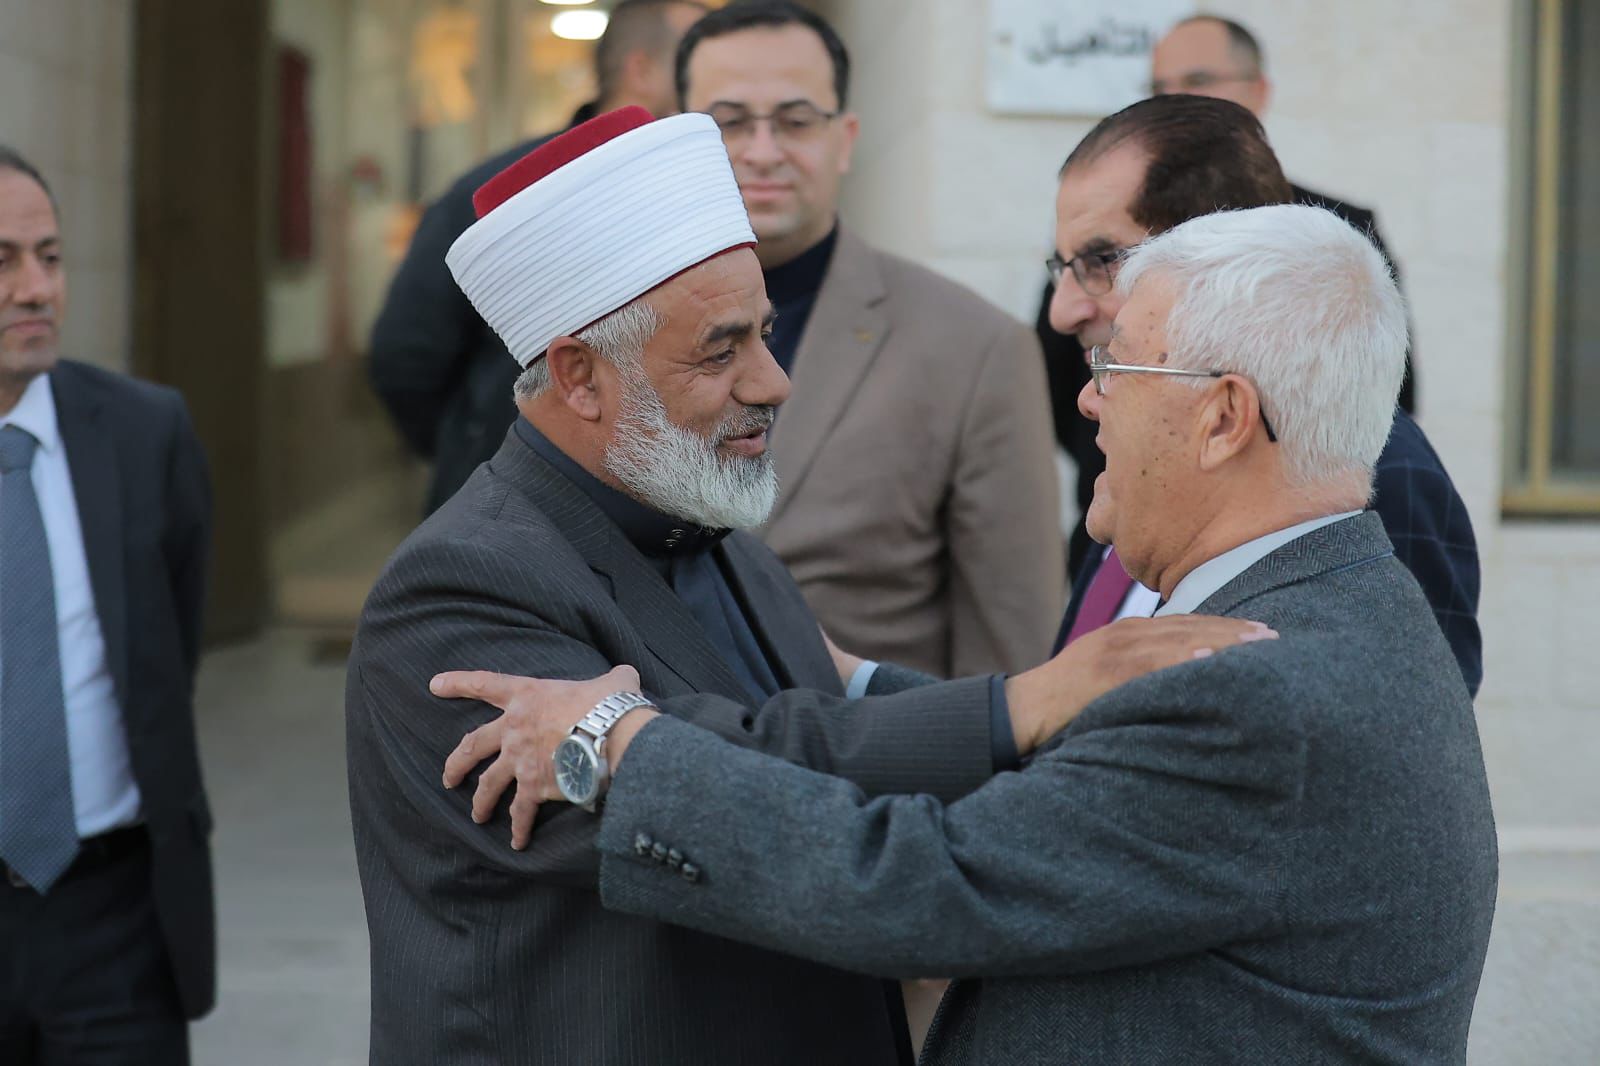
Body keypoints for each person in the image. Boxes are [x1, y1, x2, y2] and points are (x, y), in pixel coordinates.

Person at [434, 204, 1499, 1065]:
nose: (1088, 401)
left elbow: (921, 885)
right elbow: (1091, 812)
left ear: (1222, 417)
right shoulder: (1353, 598)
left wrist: (623, 745)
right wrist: (860, 683)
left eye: (1116, 367)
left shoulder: (1255, 693)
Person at [345, 108, 1263, 1065]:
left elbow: (818, 721)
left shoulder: (711, 531)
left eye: (765, 336)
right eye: (721, 350)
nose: (773, 382)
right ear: (580, 376)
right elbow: (744, 794)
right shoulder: (460, 592)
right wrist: (1018, 707)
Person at [1042, 95, 1481, 696]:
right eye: (1062, 266)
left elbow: (1400, 724)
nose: (1061, 311)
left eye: (1101, 260)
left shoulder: (1374, 469)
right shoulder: (1137, 431)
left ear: (1223, 252)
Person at [675, 1, 1064, 677]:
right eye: (729, 122)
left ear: (845, 138)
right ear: (677, 141)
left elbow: (1013, 666)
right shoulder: (612, 333)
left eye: (796, 120)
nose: (762, 151)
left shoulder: (976, 349)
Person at [1044, 14, 1417, 578]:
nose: (1064, 310)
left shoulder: (1358, 474)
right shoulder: (1117, 496)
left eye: (1103, 261)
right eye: (1158, 86)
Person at [0, 148, 215, 1065]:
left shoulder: (143, 431)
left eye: (50, 256)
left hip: (115, 917)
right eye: (3, 261)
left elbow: (170, 643)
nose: (36, 288)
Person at [370, 0, 706, 514]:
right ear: (642, 70)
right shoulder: (502, 197)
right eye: (697, 65)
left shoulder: (704, 190)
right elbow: (405, 354)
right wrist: (475, 447)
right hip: (508, 509)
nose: (718, 85)